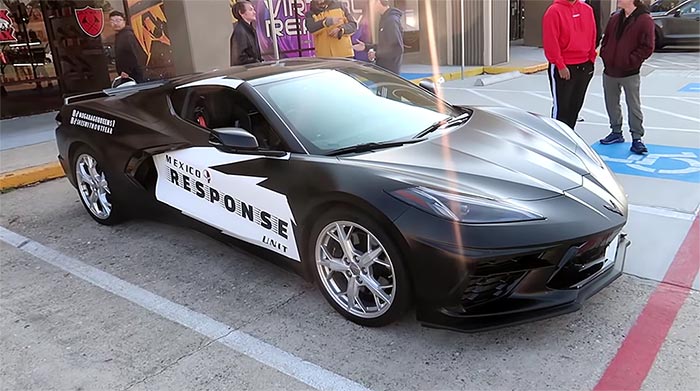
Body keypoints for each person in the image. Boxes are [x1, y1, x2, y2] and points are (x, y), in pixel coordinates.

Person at [598, 0, 654, 154]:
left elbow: (648, 47)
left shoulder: (644, 19)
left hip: (630, 72)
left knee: (633, 105)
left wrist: (631, 61)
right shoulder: (615, 17)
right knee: (611, 103)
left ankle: (637, 138)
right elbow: (606, 39)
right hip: (610, 70)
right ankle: (616, 132)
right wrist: (605, 55)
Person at [542, 0, 597, 129]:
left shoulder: (587, 9)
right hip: (564, 67)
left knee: (575, 106)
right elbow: (551, 41)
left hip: (584, 65)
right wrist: (560, 65)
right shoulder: (554, 11)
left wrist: (591, 59)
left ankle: (569, 138)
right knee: (562, 109)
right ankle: (557, 140)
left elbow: (593, 34)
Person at [355, 0, 404, 74]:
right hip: (384, 69)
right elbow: (386, 45)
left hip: (390, 72)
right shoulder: (384, 19)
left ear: (378, 2)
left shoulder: (391, 21)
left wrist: (376, 54)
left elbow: (397, 49)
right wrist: (366, 47)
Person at [109, 11, 146, 83]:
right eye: (112, 21)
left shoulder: (127, 35)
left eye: (118, 20)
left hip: (131, 74)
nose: (115, 23)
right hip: (128, 73)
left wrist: (127, 71)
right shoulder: (120, 35)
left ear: (124, 21)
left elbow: (133, 54)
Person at [230, 0, 263, 66]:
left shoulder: (250, 29)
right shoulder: (240, 32)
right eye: (250, 10)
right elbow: (239, 59)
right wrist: (256, 63)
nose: (254, 12)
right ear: (241, 13)